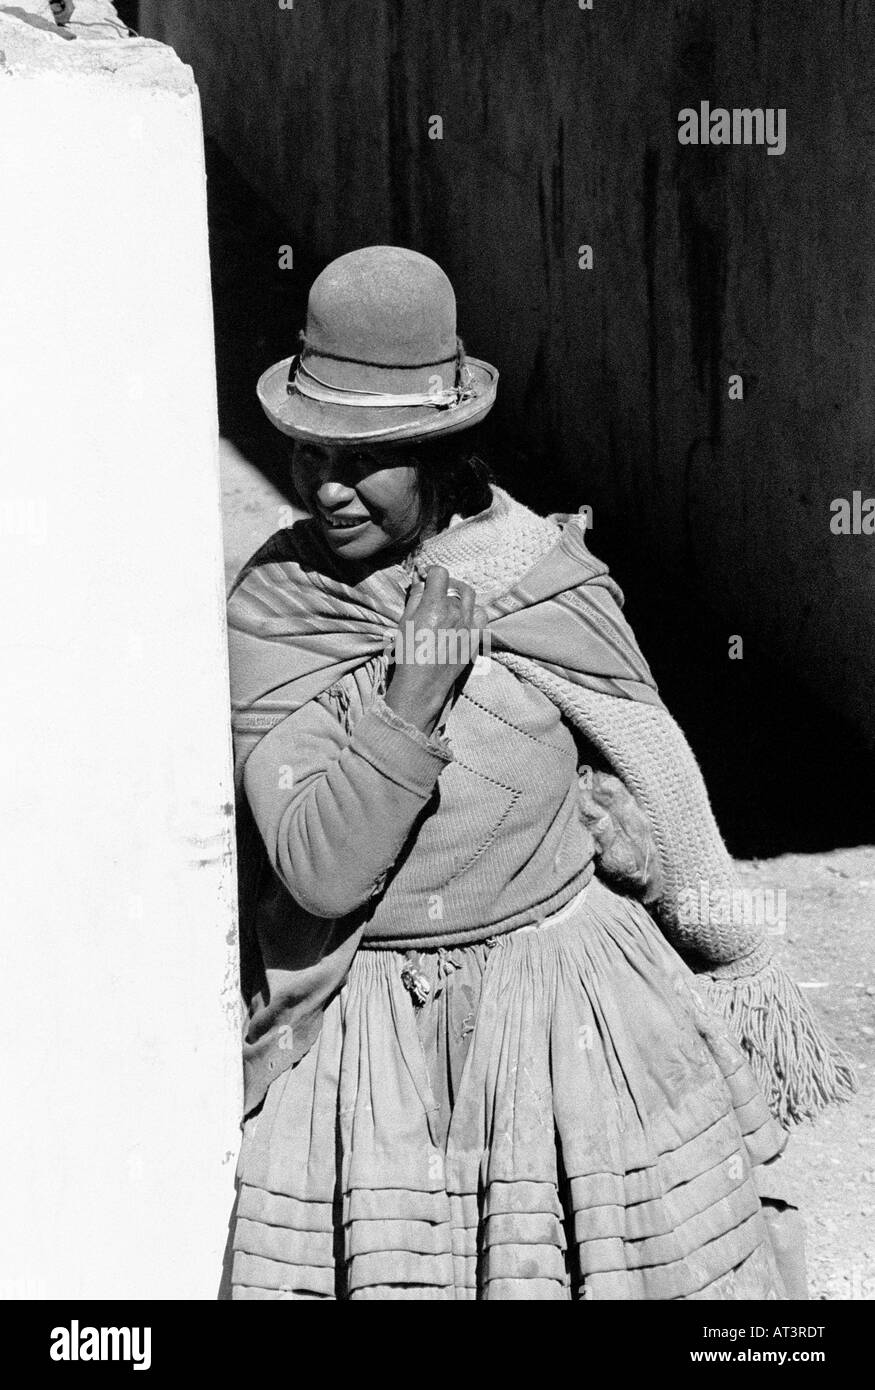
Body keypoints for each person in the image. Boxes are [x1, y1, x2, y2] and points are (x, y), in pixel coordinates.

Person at [226, 245, 854, 1300]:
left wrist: (662, 872)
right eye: (306, 452)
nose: (324, 487)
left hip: (574, 1019)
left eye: (361, 457)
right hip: (378, 1052)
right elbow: (320, 873)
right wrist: (410, 698)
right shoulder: (284, 606)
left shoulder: (534, 574)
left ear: (436, 446)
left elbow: (648, 754)